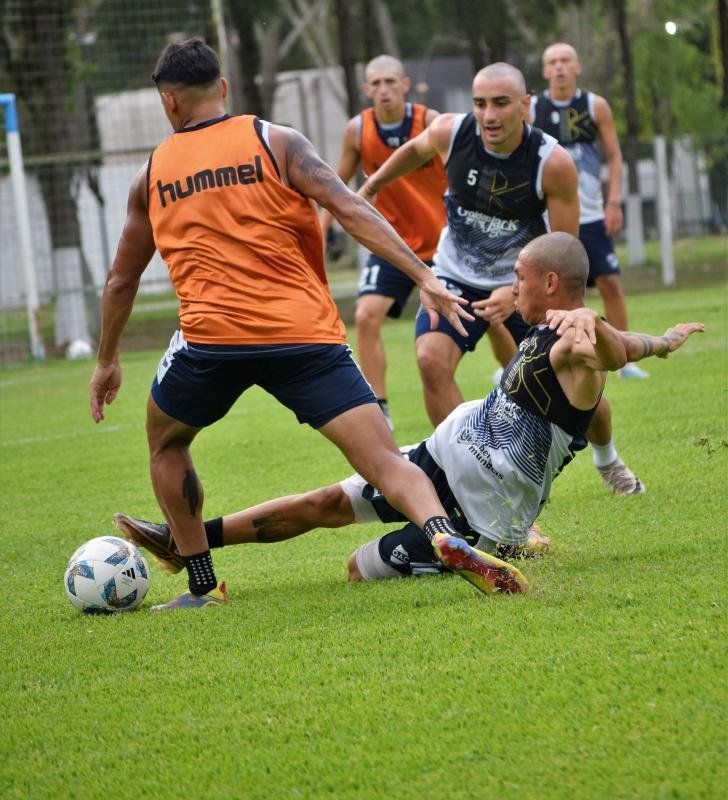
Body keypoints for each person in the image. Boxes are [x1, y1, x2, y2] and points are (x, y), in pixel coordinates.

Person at [88, 38, 488, 611]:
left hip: (211, 344)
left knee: (167, 441)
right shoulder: (276, 142)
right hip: (305, 337)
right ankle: (441, 533)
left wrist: (107, 359)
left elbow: (120, 282)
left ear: (168, 102)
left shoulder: (151, 175)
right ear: (223, 89)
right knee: (384, 462)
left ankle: (202, 586)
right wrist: (423, 275)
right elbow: (351, 208)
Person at [113, 233, 703, 591]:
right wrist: (663, 342)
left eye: (519, 278)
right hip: (437, 461)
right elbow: (627, 344)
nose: (510, 285)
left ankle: (487, 549)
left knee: (355, 567)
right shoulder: (542, 317)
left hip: (480, 514)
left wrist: (597, 325)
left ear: (550, 282)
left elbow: (606, 351)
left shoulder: (579, 344)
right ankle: (186, 541)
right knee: (325, 504)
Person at [358, 62, 644, 495]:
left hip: (526, 285)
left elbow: (564, 251)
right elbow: (415, 151)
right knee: (430, 362)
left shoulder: (553, 162)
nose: (488, 115)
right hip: (453, 276)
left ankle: (608, 459)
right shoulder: (452, 133)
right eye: (479, 104)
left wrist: (516, 292)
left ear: (526, 105)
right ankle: (469, 481)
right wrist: (373, 185)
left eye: (500, 103)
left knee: (581, 373)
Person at [320, 55, 448, 429]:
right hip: (390, 244)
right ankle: (380, 406)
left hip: (443, 245)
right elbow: (333, 188)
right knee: (365, 316)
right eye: (375, 83)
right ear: (366, 89)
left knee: (493, 317)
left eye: (390, 81)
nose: (383, 89)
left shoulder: (430, 122)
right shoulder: (358, 130)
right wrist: (318, 232)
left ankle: (511, 378)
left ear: (405, 84)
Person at [532, 42, 648, 379]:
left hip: (593, 213)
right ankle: (530, 358)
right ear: (544, 70)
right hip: (548, 217)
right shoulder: (534, 108)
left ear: (577, 67)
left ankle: (626, 359)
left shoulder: (595, 106)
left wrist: (613, 201)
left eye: (565, 61)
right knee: (541, 291)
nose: (559, 68)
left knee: (610, 282)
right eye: (552, 62)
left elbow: (613, 156)